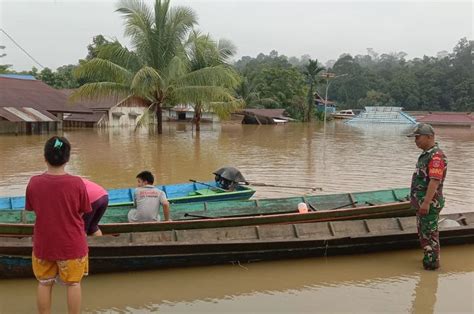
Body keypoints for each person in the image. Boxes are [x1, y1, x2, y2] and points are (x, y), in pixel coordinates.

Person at [25, 136, 91, 314]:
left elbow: (32, 208)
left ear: (44, 157)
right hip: (72, 244)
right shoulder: (77, 183)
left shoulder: (34, 183)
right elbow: (84, 210)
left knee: (44, 283)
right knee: (73, 284)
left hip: (44, 244)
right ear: (67, 158)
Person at [407, 123, 448, 270]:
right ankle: (428, 258)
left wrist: (426, 203)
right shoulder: (426, 155)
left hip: (430, 203)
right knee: (424, 232)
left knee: (430, 234)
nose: (415, 140)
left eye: (418, 137)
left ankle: (432, 264)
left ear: (429, 137)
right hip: (422, 202)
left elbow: (434, 181)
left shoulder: (436, 156)